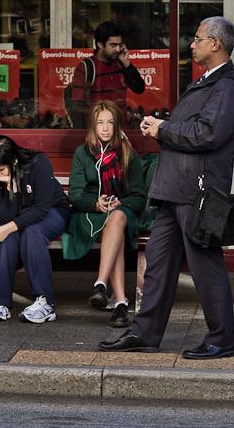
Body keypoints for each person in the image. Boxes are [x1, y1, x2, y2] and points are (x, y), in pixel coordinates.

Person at [99, 16, 234, 359]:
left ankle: (222, 339)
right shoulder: (208, 82)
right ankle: (145, 332)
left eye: (197, 39)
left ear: (216, 44)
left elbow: (207, 135)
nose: (191, 45)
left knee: (206, 267)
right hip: (174, 190)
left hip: (198, 192)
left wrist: (163, 130)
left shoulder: (225, 87)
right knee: (158, 266)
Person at [64, 100, 150, 328]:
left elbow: (139, 197)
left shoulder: (126, 153)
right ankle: (120, 303)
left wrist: (120, 201)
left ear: (117, 126)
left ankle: (101, 284)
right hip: (89, 215)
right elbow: (75, 194)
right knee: (115, 229)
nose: (104, 128)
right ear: (92, 126)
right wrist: (96, 204)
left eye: (110, 123)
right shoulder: (82, 153)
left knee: (118, 218)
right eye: (100, 123)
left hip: (121, 212)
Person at [0, 135, 71, 323]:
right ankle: (0, 303)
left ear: (13, 161)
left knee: (32, 233)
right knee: (6, 237)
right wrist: (8, 188)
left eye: (0, 170)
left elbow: (41, 208)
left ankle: (45, 302)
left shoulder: (38, 163)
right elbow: (1, 214)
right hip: (16, 217)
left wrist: (9, 225)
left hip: (52, 212)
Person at [64, 21, 146, 128]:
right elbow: (77, 108)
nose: (117, 49)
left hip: (120, 130)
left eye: (119, 45)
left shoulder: (120, 64)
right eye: (113, 45)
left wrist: (127, 64)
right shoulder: (86, 67)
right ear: (100, 44)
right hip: (97, 131)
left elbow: (139, 88)